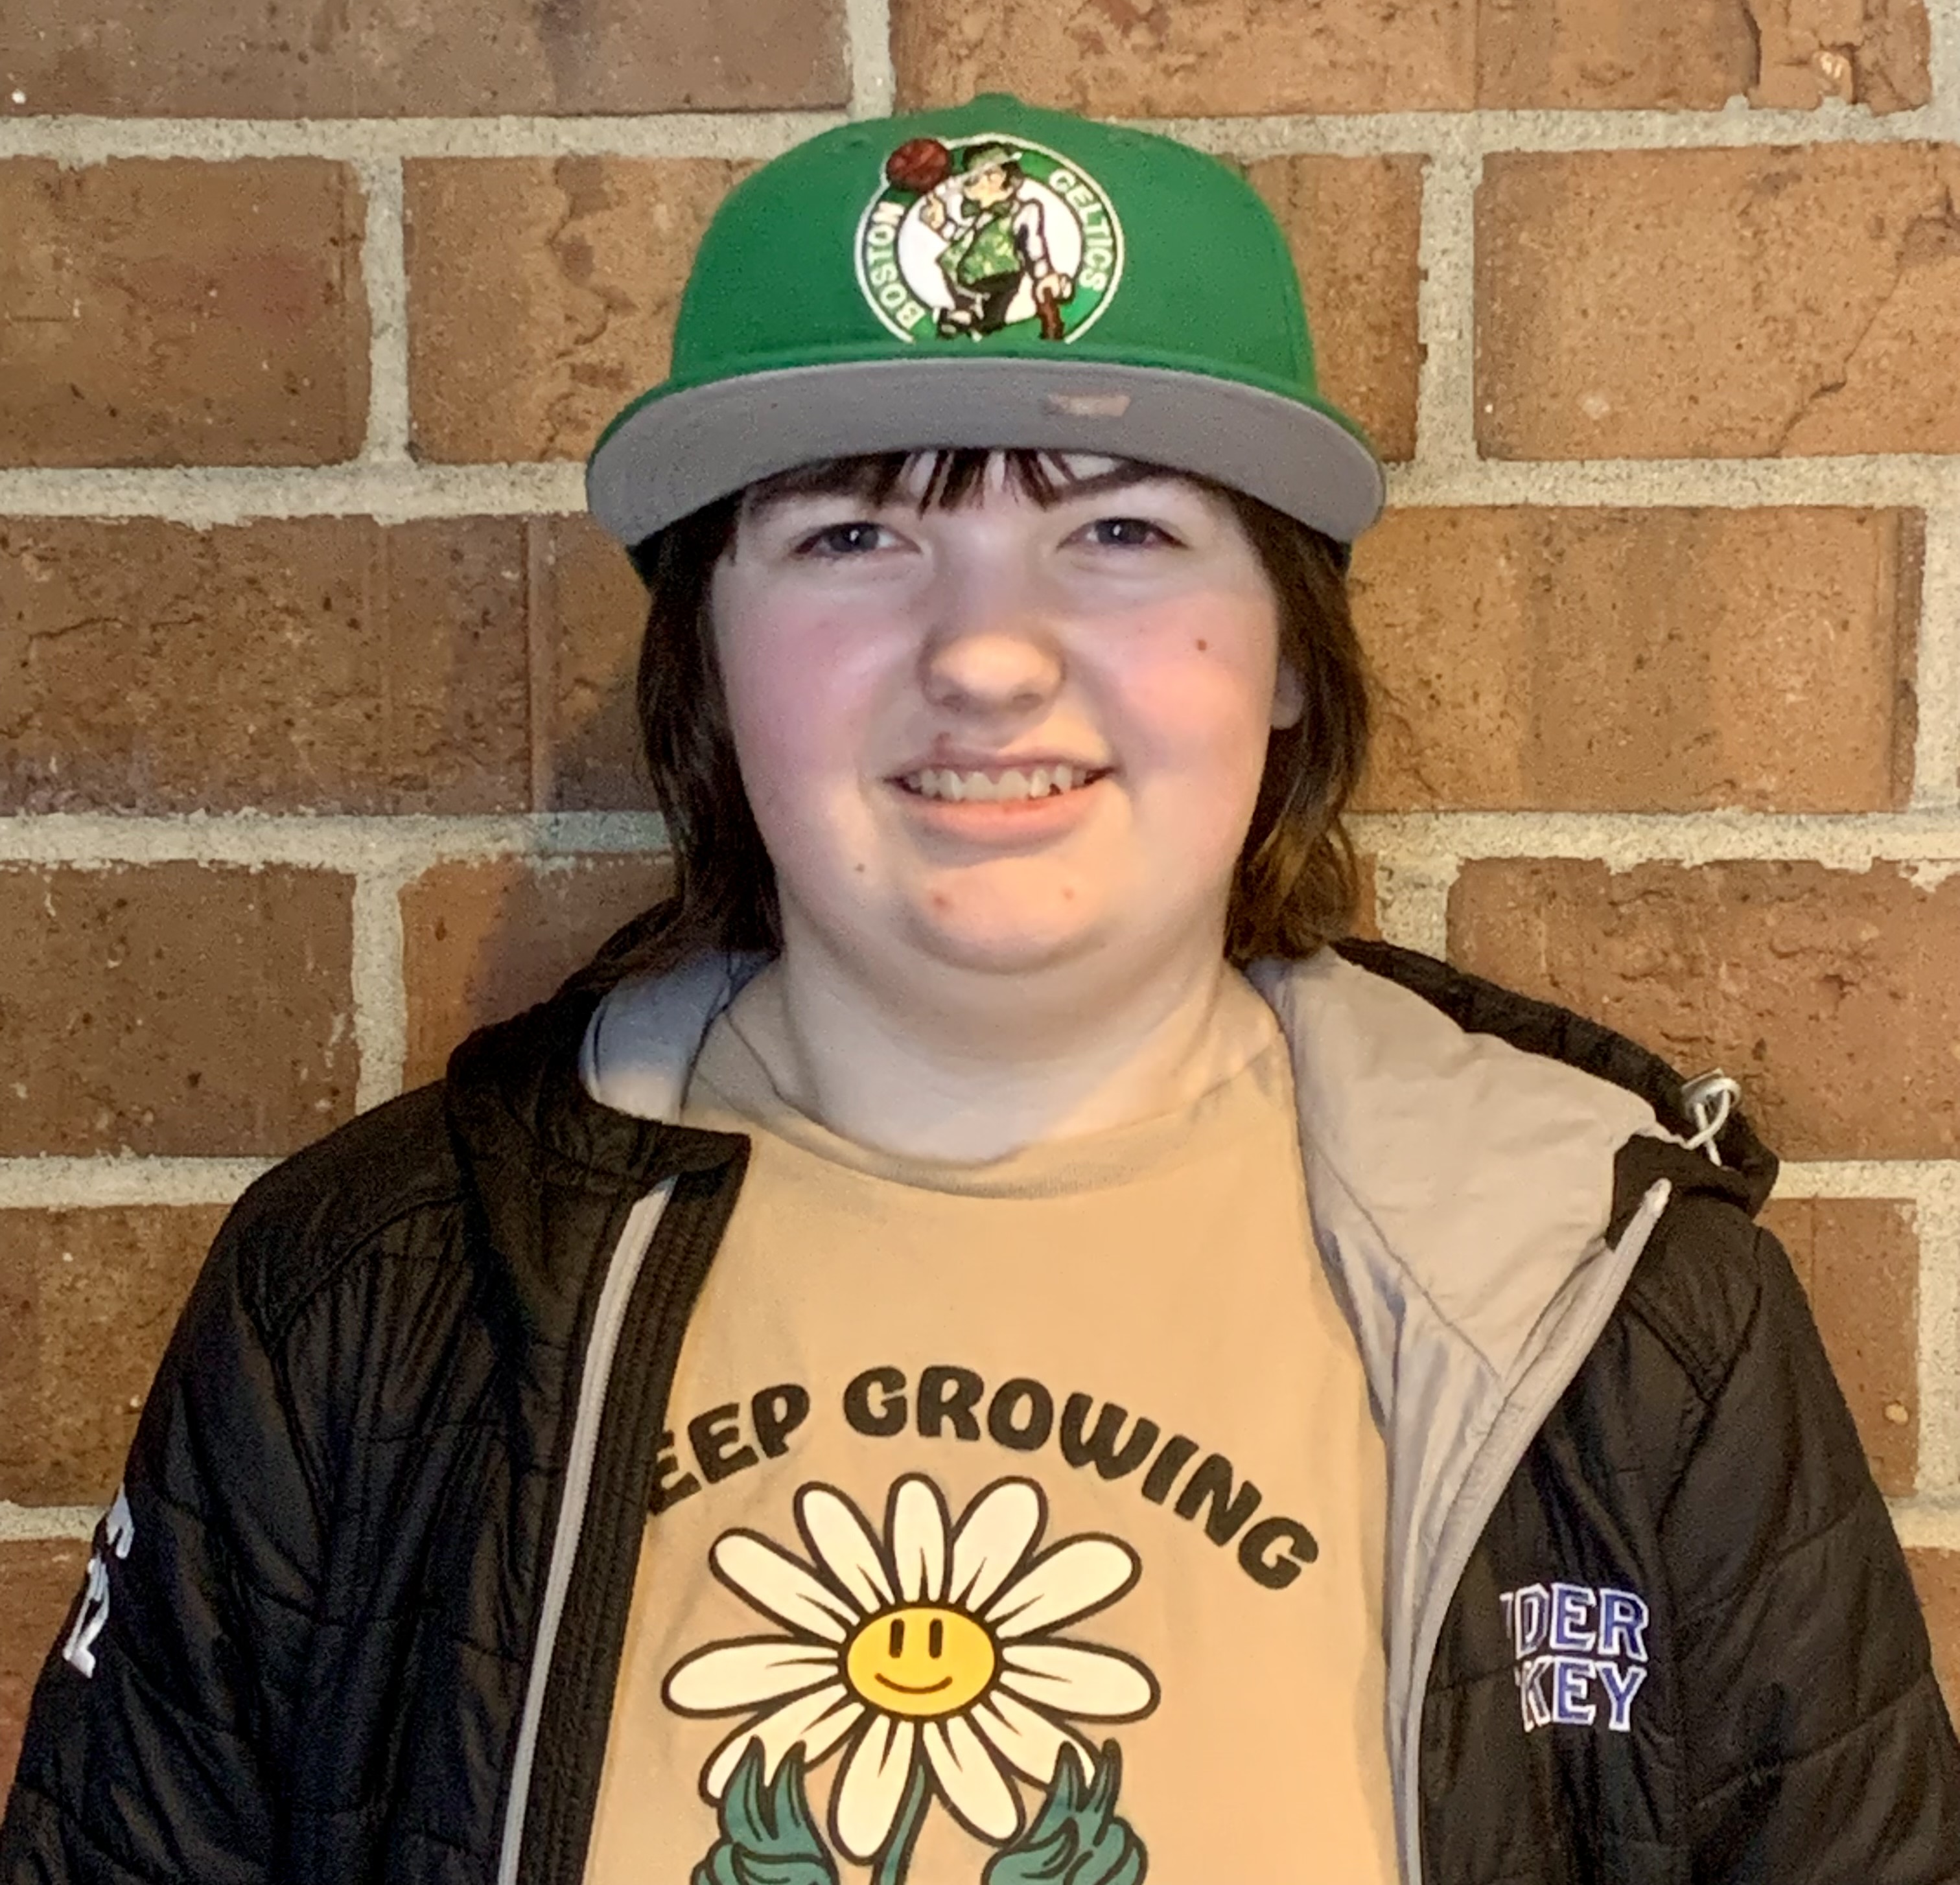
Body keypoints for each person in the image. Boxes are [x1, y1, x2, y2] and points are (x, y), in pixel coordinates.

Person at [3, 91, 1956, 1885]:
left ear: (1289, 653)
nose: (990, 656)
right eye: (856, 533)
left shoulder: (1621, 1310)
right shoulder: (369, 1299)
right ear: (712, 662)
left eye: (1119, 530)